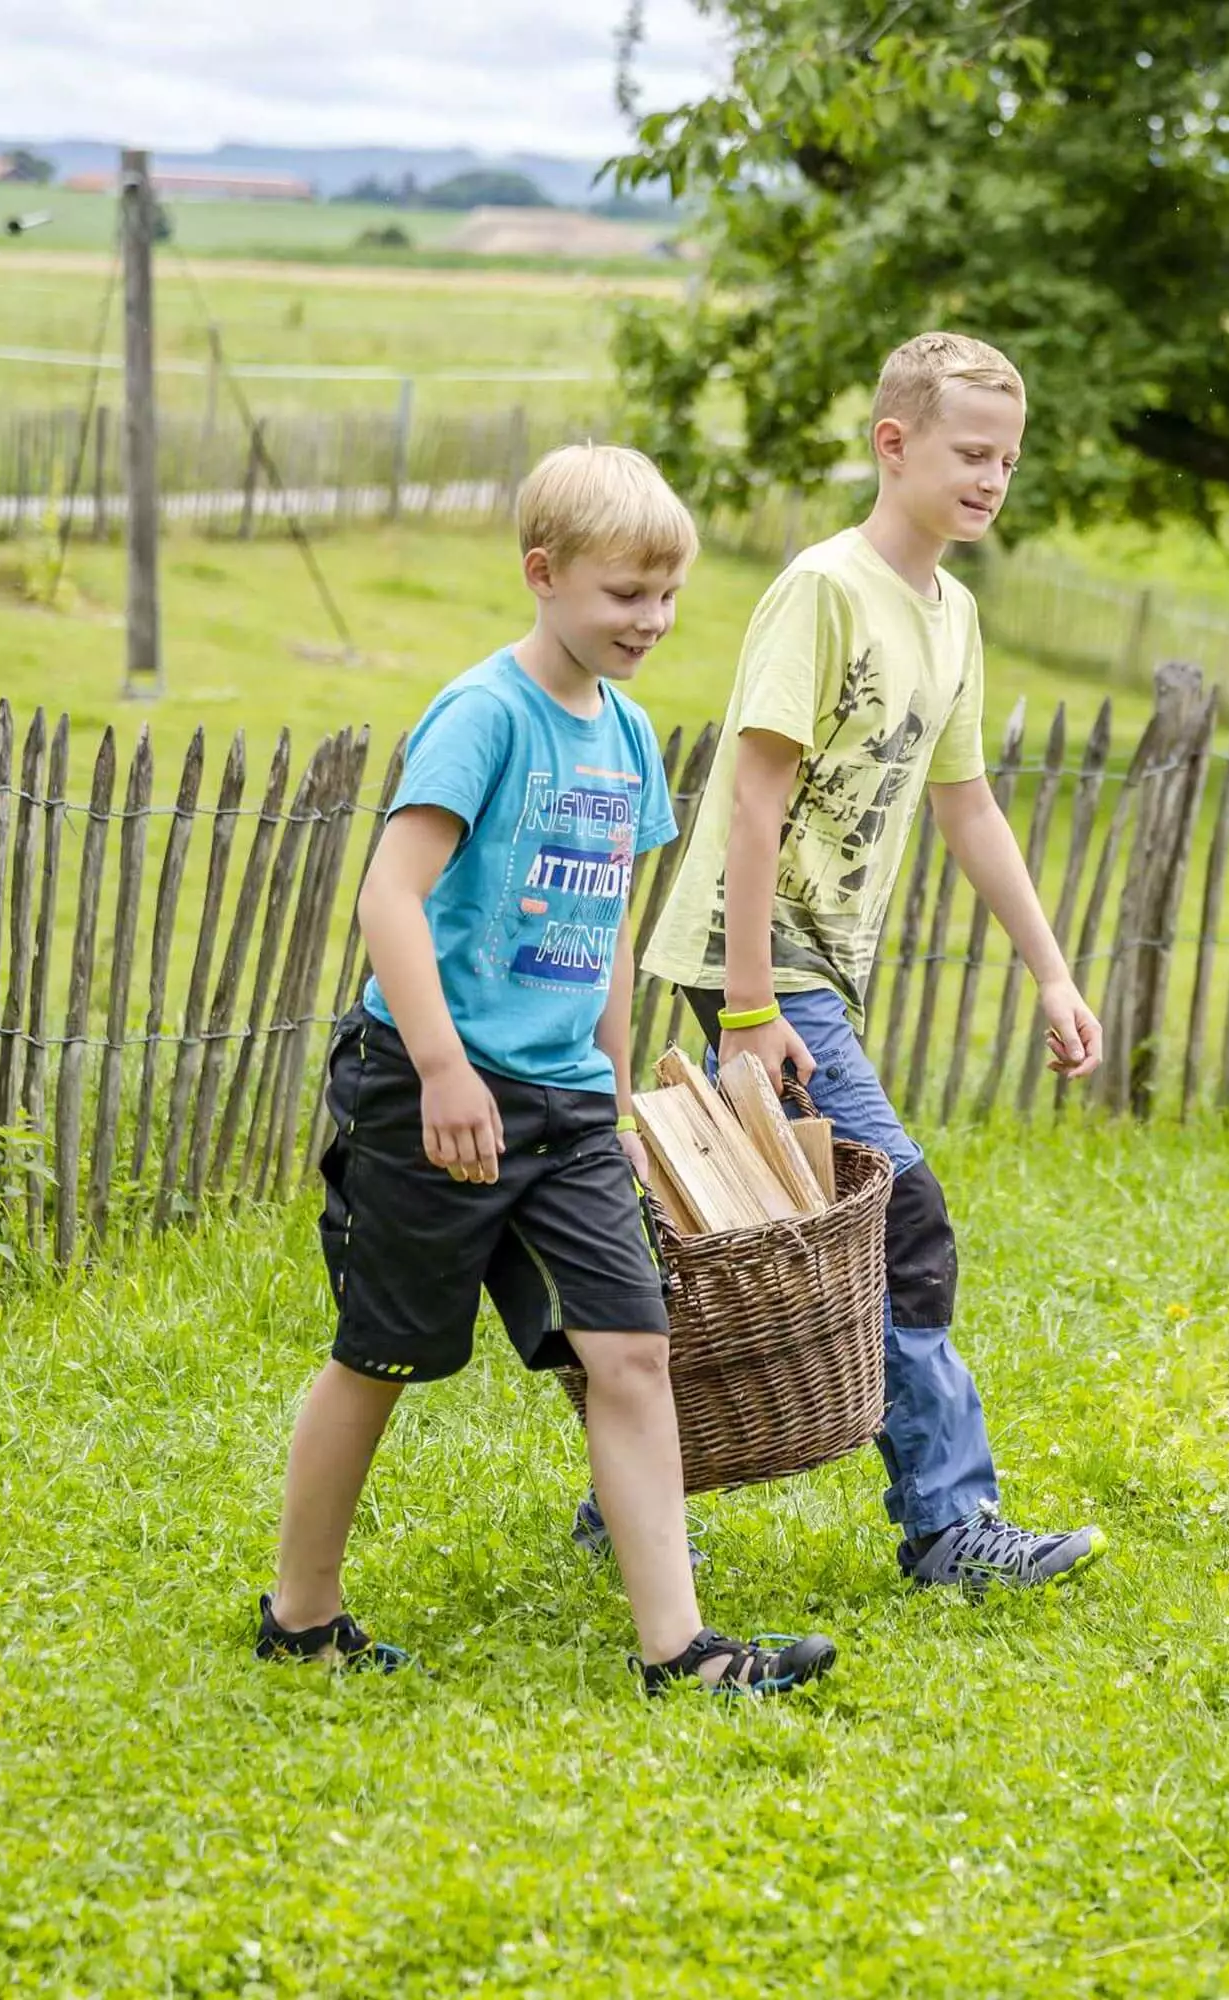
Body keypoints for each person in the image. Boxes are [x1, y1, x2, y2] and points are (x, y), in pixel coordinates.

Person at [262, 443, 836, 1696]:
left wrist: (618, 1104)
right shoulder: (485, 715)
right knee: (384, 1350)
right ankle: (301, 1612)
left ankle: (679, 1650)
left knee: (631, 1349)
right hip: (431, 1096)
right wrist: (445, 1067)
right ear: (544, 574)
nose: (654, 620)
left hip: (567, 1105)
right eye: (626, 593)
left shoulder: (627, 736)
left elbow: (611, 939)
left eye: (669, 594)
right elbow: (389, 897)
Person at [634, 331, 1103, 1594]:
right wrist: (743, 1007)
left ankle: (626, 1490)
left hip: (812, 973)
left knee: (767, 1238)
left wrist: (1051, 972)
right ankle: (952, 1528)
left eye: (1007, 457)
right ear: (892, 445)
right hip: (757, 961)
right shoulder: (825, 589)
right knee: (902, 1217)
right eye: (969, 453)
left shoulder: (951, 613)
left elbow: (970, 807)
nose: (993, 478)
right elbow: (751, 799)